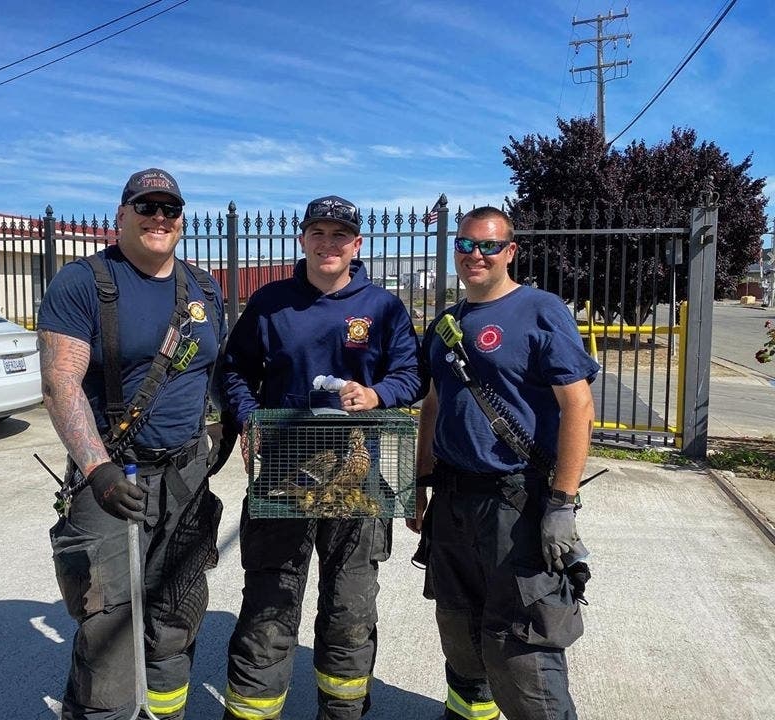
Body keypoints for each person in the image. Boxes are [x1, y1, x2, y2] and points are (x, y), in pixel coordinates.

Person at [220, 195, 423, 720]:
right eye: (319, 233)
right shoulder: (271, 303)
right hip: (285, 474)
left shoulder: (382, 307)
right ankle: (252, 711)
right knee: (271, 600)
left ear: (357, 244)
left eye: (340, 235)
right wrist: (248, 417)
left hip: (359, 475)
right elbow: (235, 372)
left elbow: (411, 375)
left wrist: (377, 395)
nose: (328, 244)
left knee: (350, 606)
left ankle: (342, 712)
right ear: (303, 239)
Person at [37, 168, 228, 720]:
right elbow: (59, 383)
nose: (159, 218)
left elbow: (215, 369)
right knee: (109, 622)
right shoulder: (85, 282)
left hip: (186, 477)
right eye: (146, 207)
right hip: (114, 479)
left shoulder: (204, 287)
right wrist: (97, 469)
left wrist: (230, 428)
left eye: (170, 209)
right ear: (121, 214)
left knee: (176, 610)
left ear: (182, 221)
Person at [410, 206, 599, 720]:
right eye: (466, 245)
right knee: (460, 631)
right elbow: (432, 403)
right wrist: (421, 483)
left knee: (523, 647)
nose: (476, 255)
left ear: (510, 251)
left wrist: (561, 503)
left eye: (489, 245)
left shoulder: (541, 310)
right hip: (452, 500)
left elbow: (577, 406)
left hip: (515, 503)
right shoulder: (447, 322)